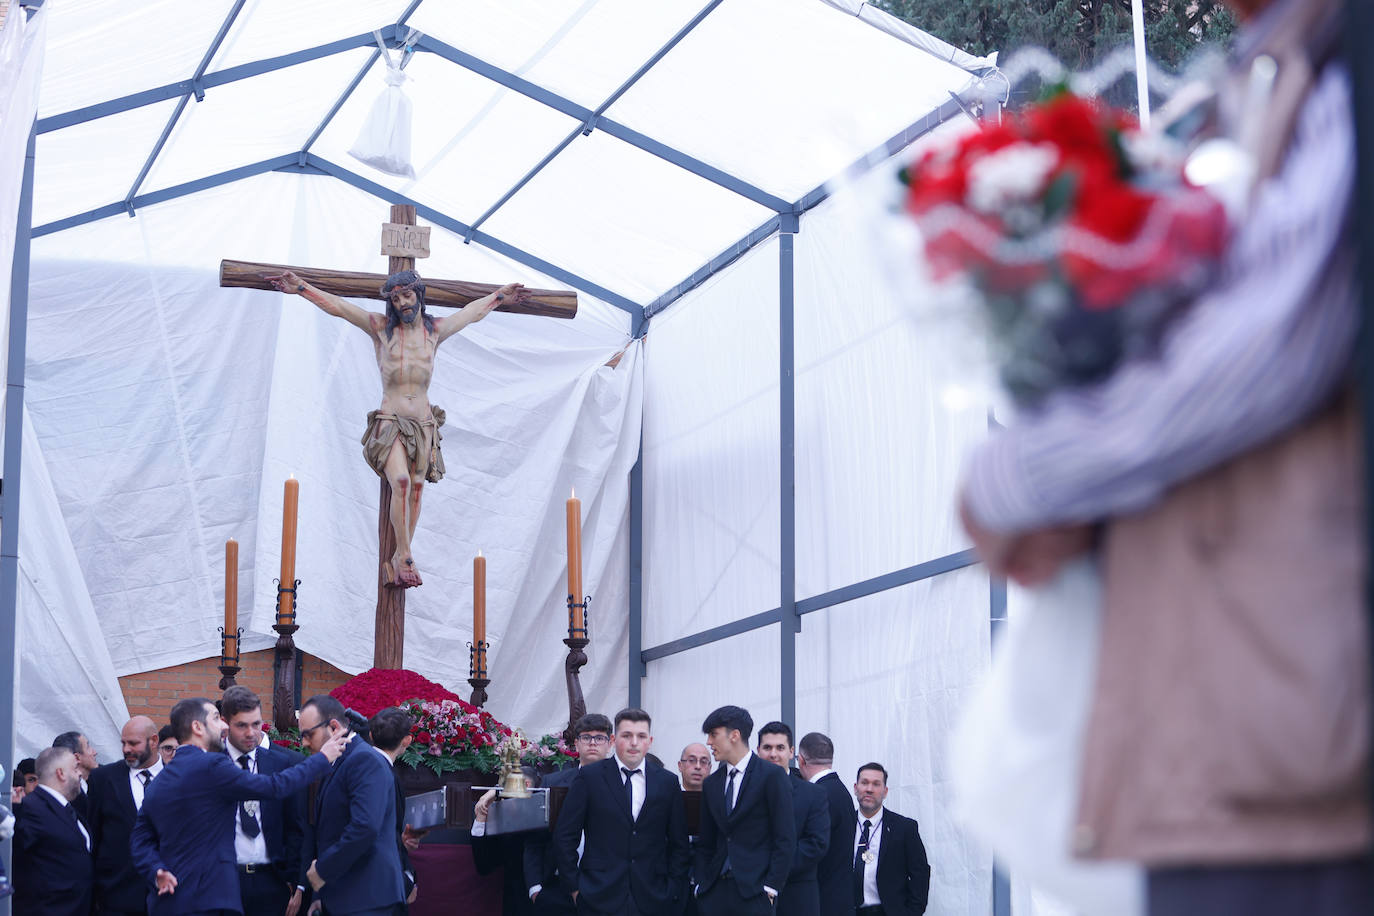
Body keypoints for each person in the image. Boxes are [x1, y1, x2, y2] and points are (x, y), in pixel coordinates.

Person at [957, 0, 1364, 912]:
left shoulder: (1341, 58)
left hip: (1294, 721)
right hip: (1240, 728)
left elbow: (1266, 354)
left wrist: (1021, 475)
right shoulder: (1277, 67)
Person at [266, 268, 529, 588]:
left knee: (416, 490)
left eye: (407, 295)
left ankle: (402, 555)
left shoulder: (435, 330)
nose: (402, 303)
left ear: (419, 295)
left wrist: (500, 296)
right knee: (401, 482)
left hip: (422, 425)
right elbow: (341, 307)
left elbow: (470, 313)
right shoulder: (380, 329)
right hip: (390, 422)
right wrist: (302, 288)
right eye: (395, 298)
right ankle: (404, 556)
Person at [130, 696, 345, 915]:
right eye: (215, 718)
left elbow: (139, 839)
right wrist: (323, 758)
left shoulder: (161, 780)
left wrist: (155, 869)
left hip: (170, 902)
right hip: (209, 901)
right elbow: (273, 787)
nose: (223, 725)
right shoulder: (211, 765)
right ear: (197, 727)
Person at [554, 707, 689, 916]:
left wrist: (672, 889)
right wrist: (575, 888)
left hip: (654, 897)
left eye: (641, 736)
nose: (634, 743)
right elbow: (565, 836)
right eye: (627, 735)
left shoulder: (667, 782)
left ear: (650, 741)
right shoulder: (590, 777)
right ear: (614, 739)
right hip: (597, 896)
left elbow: (679, 843)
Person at [298, 694, 407, 915]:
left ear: (334, 727)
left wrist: (322, 871)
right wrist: (322, 895)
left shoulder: (364, 760)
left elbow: (364, 827)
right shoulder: (338, 760)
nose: (304, 743)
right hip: (344, 896)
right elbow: (330, 833)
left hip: (367, 898)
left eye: (308, 734)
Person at [694, 706, 795, 916]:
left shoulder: (771, 776)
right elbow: (705, 842)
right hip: (714, 893)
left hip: (756, 893)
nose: (709, 742)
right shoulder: (712, 783)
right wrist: (701, 885)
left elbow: (785, 838)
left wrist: (771, 887)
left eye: (713, 734)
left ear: (735, 735)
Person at [220, 686, 307, 915]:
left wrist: (293, 879)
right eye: (241, 725)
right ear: (224, 722)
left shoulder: (280, 764)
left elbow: (295, 826)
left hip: (272, 882)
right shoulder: (210, 764)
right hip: (222, 883)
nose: (251, 733)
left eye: (256, 724)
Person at [523, 713, 613, 915]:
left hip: (606, 887)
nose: (592, 743)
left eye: (599, 738)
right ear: (576, 743)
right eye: (586, 737)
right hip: (556, 888)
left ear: (610, 743)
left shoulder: (622, 783)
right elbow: (535, 839)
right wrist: (535, 888)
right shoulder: (553, 783)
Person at [87, 715, 162, 916]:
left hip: (168, 897)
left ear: (154, 741)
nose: (126, 749)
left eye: (133, 743)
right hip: (116, 898)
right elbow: (93, 838)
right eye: (123, 743)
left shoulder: (177, 778)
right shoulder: (102, 779)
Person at [12, 746, 93, 916]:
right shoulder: (30, 810)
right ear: (60, 773)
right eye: (75, 768)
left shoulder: (70, 810)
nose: (80, 774)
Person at [758, 722, 829, 916]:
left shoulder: (813, 794)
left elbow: (816, 844)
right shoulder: (744, 791)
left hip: (796, 898)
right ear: (757, 751)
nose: (773, 754)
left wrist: (772, 871)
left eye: (780, 747)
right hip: (749, 895)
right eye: (767, 747)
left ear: (791, 752)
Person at [850, 764, 928, 916]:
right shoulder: (843, 825)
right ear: (855, 788)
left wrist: (912, 912)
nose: (869, 789)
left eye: (876, 784)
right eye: (864, 782)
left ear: (885, 791)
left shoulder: (904, 828)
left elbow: (920, 874)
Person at [797, 732, 855, 916]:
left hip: (823, 901)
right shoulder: (840, 790)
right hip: (840, 899)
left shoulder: (818, 795)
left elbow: (813, 850)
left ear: (800, 760)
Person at [368, 706, 420, 911]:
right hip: (384, 886)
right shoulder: (384, 774)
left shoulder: (368, 766)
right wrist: (404, 884)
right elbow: (379, 835)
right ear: (407, 740)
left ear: (371, 735)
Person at [52, 730, 97, 818]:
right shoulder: (62, 797)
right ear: (77, 757)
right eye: (88, 747)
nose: (94, 752)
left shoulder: (100, 781)